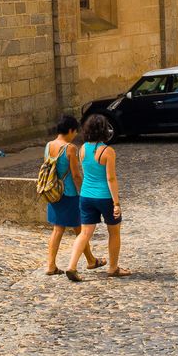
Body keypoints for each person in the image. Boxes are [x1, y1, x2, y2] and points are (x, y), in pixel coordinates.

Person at [66, 114, 129, 280]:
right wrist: (116, 203)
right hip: (105, 197)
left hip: (86, 196)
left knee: (85, 233)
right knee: (114, 231)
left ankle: (71, 266)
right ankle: (113, 268)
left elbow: (85, 172)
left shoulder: (83, 149)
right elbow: (111, 178)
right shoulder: (107, 151)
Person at [42, 115, 103, 276]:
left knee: (62, 228)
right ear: (70, 130)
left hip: (54, 192)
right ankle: (89, 260)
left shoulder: (48, 145)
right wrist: (83, 192)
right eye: (75, 131)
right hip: (69, 193)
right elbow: (76, 175)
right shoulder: (70, 148)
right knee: (78, 229)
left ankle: (53, 264)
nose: (75, 135)